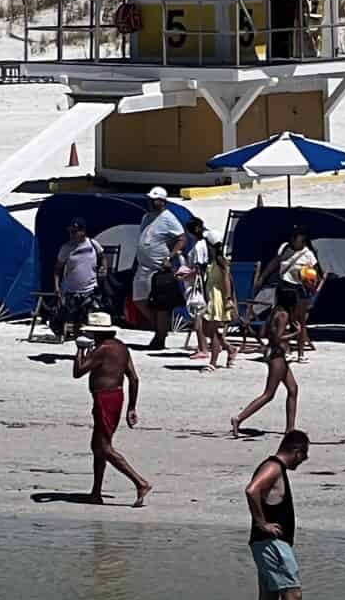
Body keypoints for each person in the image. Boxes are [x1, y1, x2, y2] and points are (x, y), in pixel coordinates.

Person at [72, 312, 150, 506]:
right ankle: (96, 492)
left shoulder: (103, 349)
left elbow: (78, 372)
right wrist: (131, 407)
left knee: (104, 447)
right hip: (116, 396)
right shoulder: (121, 347)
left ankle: (140, 482)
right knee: (98, 447)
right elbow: (134, 378)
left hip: (104, 399)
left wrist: (80, 350)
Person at [245, 429, 309, 600]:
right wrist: (261, 523)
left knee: (269, 597)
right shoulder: (273, 467)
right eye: (304, 455)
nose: (303, 460)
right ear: (297, 451)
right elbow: (251, 489)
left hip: (265, 543)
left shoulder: (272, 466)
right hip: (272, 543)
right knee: (292, 595)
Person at [229, 298, 300, 436]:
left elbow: (262, 333)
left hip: (274, 353)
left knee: (293, 389)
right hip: (277, 356)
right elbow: (279, 338)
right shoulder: (283, 315)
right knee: (269, 394)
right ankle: (238, 418)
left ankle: (290, 428)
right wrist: (295, 334)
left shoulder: (274, 312)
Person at [133, 189, 187, 349]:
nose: (150, 202)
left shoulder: (169, 218)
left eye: (154, 200)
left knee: (160, 305)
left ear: (162, 201)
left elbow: (181, 238)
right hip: (143, 266)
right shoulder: (146, 217)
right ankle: (159, 328)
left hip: (158, 268)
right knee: (139, 300)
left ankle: (160, 336)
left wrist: (170, 256)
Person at [183, 219, 234, 368]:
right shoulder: (212, 261)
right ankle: (230, 349)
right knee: (207, 329)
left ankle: (213, 362)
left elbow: (226, 281)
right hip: (210, 295)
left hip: (218, 298)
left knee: (213, 328)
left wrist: (228, 298)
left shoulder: (219, 261)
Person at [265, 230, 322, 354]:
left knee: (297, 322)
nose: (294, 238)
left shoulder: (308, 254)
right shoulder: (284, 248)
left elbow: (315, 276)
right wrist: (262, 278)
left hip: (299, 290)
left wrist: (310, 282)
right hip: (284, 288)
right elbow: (274, 263)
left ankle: (301, 352)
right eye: (293, 236)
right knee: (281, 319)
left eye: (297, 236)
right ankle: (284, 349)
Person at [54, 218, 101, 342]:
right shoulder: (66, 248)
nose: (72, 234)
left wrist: (103, 267)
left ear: (83, 231)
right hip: (72, 290)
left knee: (91, 319)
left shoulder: (93, 244)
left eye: (75, 232)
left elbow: (102, 256)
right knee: (75, 321)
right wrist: (57, 287)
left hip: (90, 288)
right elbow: (58, 269)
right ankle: (79, 346)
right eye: (70, 232)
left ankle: (91, 346)